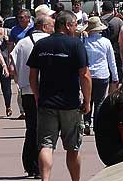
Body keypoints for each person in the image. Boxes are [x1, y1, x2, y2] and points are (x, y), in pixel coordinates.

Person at [28, 11, 91, 181]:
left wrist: (37, 95)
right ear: (67, 25)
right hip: (70, 104)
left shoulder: (41, 45)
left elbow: (32, 76)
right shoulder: (76, 44)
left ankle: (45, 179)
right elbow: (85, 75)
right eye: (75, 24)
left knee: (46, 145)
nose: (76, 27)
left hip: (46, 102)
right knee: (73, 147)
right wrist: (87, 101)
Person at [12, 14, 52, 178]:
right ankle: (37, 165)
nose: (53, 27)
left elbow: (12, 61)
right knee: (43, 129)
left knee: (31, 127)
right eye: (51, 24)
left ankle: (30, 163)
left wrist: (19, 78)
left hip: (26, 90)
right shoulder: (49, 41)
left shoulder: (22, 43)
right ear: (44, 26)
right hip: (45, 89)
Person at [84, 16, 118, 136]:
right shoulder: (106, 42)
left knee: (88, 99)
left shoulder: (84, 42)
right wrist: (115, 77)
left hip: (87, 75)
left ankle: (86, 122)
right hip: (102, 74)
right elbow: (111, 61)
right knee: (99, 101)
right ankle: (97, 124)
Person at [0, 19, 14, 118]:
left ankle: (8, 106)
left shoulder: (8, 32)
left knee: (6, 88)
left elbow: (13, 46)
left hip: (5, 62)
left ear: (0, 22)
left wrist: (8, 40)